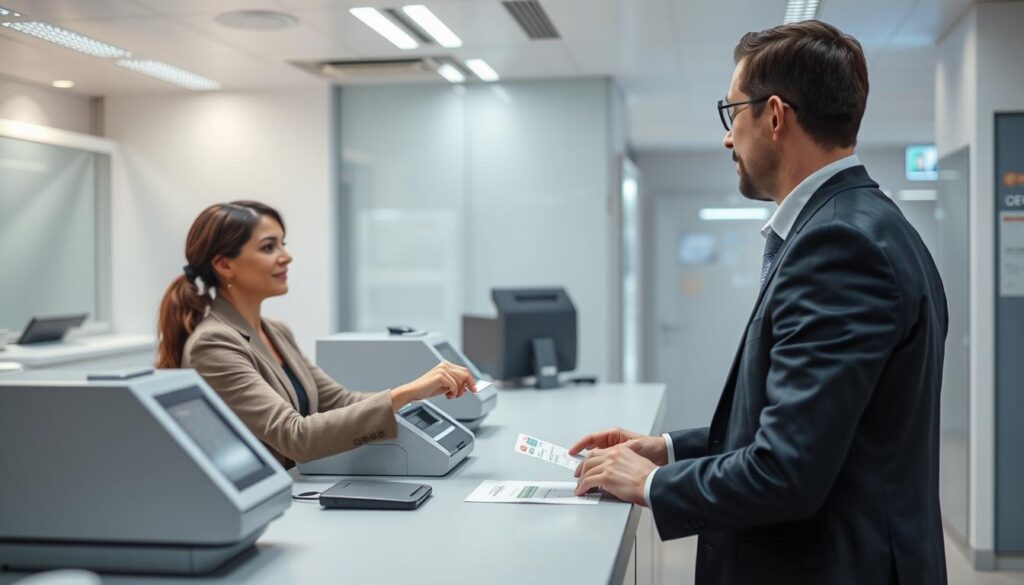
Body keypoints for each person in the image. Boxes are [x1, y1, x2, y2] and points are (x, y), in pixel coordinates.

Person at [570, 21, 948, 584]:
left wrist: (647, 483)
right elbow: (810, 427)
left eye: (732, 113)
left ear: (774, 116)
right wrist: (668, 450)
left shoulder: (839, 245)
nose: (727, 138)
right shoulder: (863, 225)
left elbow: (786, 470)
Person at [156, 201, 475, 469]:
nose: (286, 256)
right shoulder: (213, 344)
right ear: (224, 265)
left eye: (283, 243)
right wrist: (408, 392)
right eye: (269, 247)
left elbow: (338, 401)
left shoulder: (276, 331)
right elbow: (295, 437)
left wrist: (415, 392)